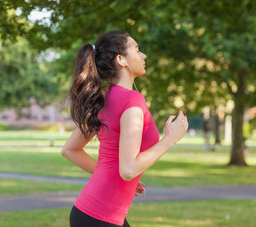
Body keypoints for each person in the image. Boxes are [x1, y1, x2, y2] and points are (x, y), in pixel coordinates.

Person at [61, 30, 189, 227]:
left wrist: (114, 176)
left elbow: (70, 149)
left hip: (89, 213)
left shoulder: (103, 100)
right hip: (99, 217)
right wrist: (170, 139)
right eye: (137, 49)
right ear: (121, 60)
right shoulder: (132, 100)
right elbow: (128, 169)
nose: (143, 55)